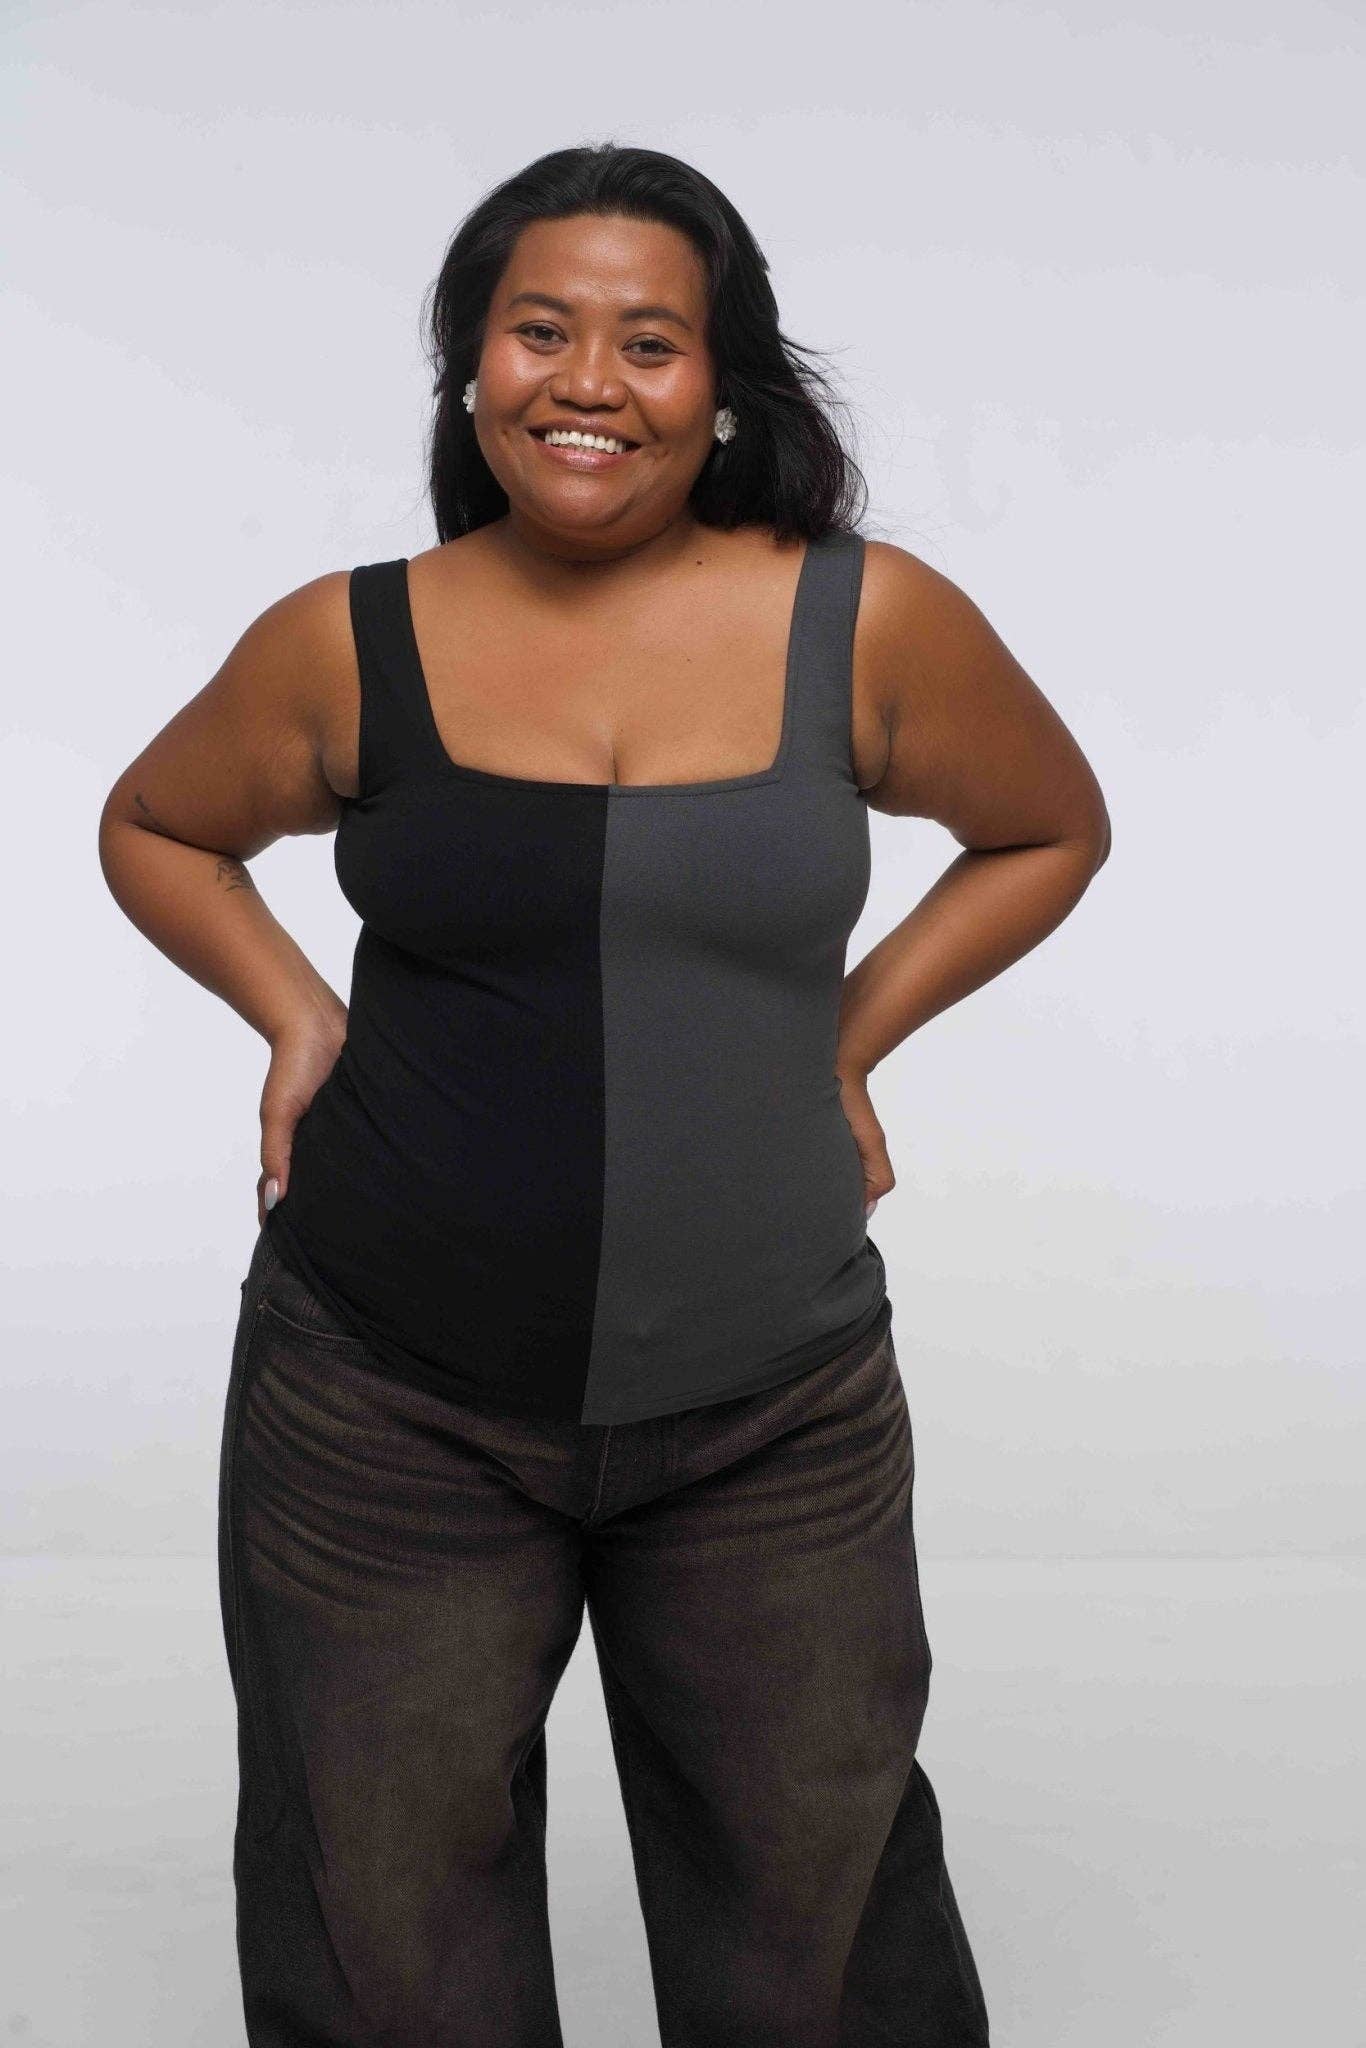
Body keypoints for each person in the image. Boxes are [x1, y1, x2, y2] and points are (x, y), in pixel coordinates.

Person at [98, 141, 1109, 2047]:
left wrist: (843, 1039)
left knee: (821, 1940)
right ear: (468, 370)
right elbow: (154, 823)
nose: (587, 382)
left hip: (773, 1413)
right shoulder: (349, 637)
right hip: (382, 1409)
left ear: (721, 385)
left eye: (648, 342)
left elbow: (1048, 827)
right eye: (537, 331)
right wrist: (295, 1018)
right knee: (384, 1941)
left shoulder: (866, 620)